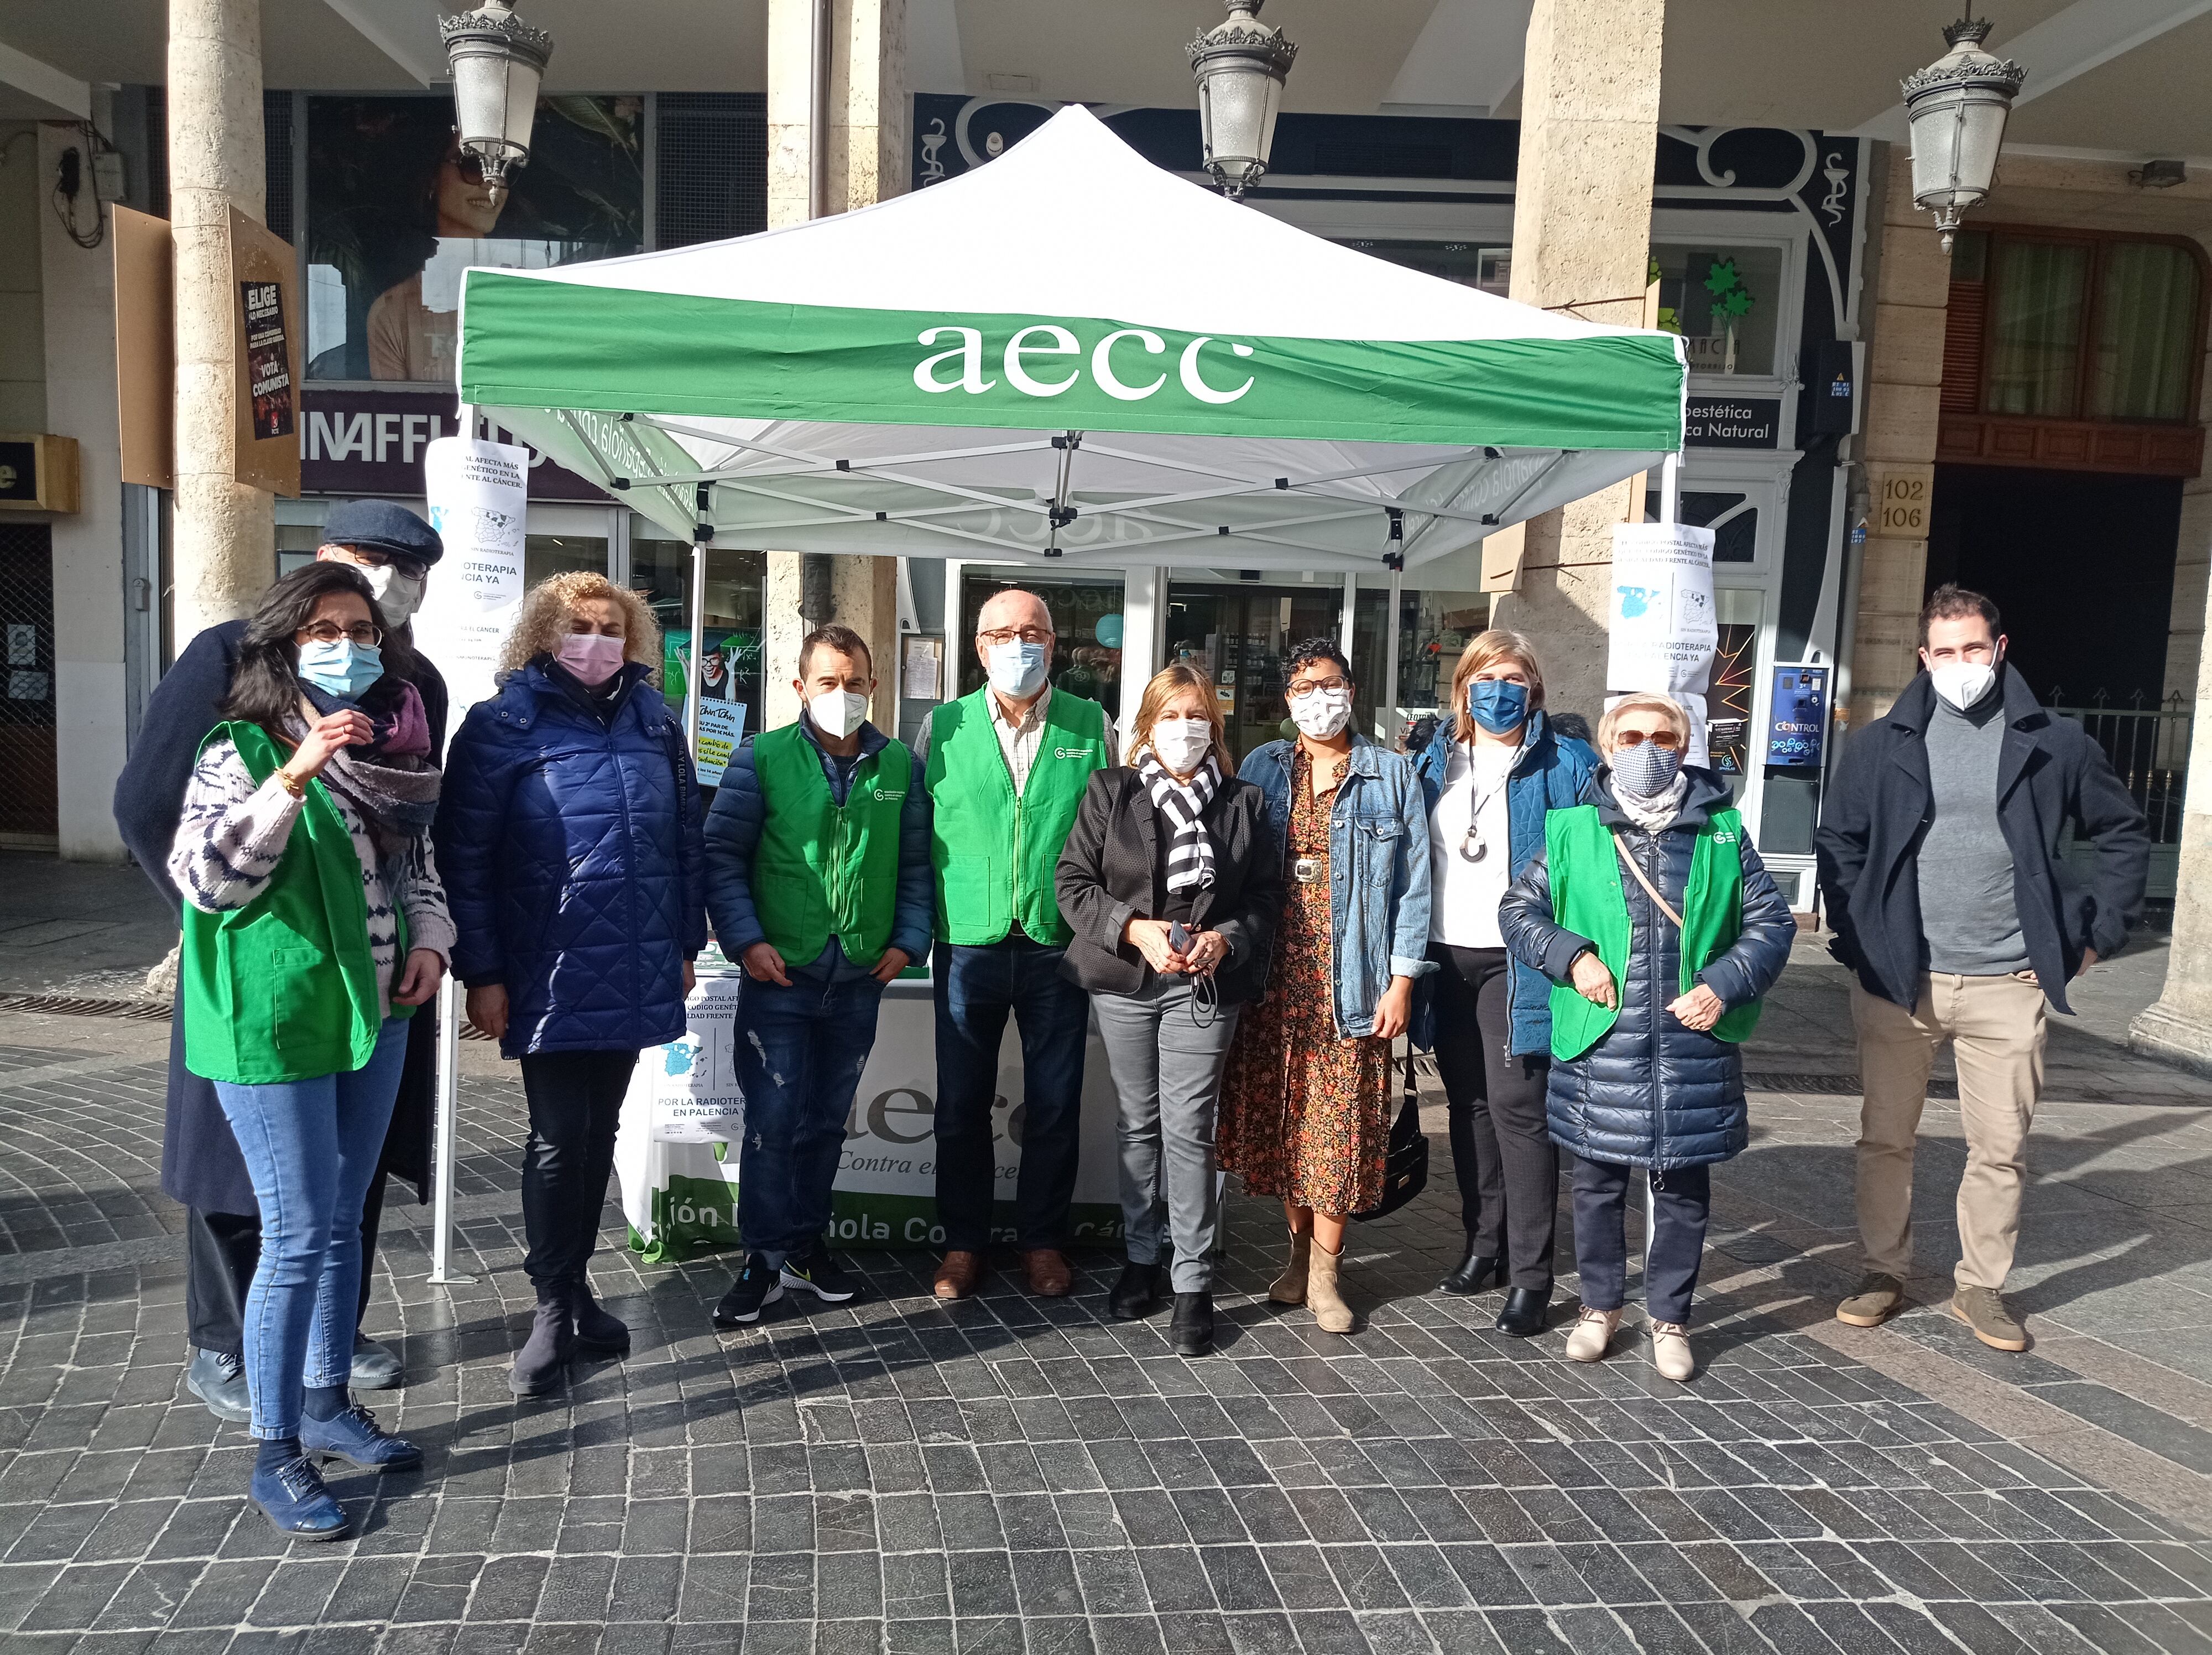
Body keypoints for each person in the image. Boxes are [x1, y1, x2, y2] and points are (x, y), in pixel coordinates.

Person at [113, 501, 449, 1423]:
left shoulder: (410, 683)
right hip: (258, 952)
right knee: (240, 1170)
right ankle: (225, 1342)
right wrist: (210, 923)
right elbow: (149, 801)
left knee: (350, 1171)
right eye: (367, 562)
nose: (382, 587)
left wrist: (429, 933)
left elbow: (418, 834)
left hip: (369, 971)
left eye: (404, 569)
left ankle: (328, 1343)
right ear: (320, 563)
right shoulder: (229, 656)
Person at [169, 562, 452, 1536]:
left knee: (340, 1221)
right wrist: (294, 776)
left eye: (364, 628)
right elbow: (208, 880)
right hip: (277, 1021)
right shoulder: (238, 748)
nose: (350, 644)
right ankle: (274, 1446)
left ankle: (329, 1400)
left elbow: (417, 863)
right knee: (293, 1237)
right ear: (287, 643)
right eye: (327, 627)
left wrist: (431, 941)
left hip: (376, 1013)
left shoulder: (394, 746)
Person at [1815, 585, 2148, 1351]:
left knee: (2001, 1148)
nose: (1961, 664)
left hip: (2008, 983)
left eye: (1975, 649)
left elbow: (2123, 833)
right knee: (1885, 1137)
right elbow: (1840, 845)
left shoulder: (2056, 741)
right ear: (1924, 658)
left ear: (2000, 650)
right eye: (1946, 652)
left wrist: (2092, 937)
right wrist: (1864, 939)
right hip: (1901, 982)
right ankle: (1881, 1270)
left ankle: (1981, 1287)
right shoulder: (1879, 744)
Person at [436, 571, 707, 1397]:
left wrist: (686, 941)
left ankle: (579, 1287)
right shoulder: (500, 725)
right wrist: (481, 971)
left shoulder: (657, 720)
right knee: (558, 1138)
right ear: (545, 636)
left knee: (600, 1133)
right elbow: (466, 859)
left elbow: (686, 840)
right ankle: (552, 1304)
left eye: (612, 629)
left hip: (634, 960)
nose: (596, 642)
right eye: (579, 626)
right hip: (547, 965)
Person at [1498, 691, 1793, 1381]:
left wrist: (1724, 981)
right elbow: (1519, 909)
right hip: (1603, 1039)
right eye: (1630, 737)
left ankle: (1670, 1316)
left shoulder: (1721, 828)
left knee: (1683, 1187)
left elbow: (1771, 922)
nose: (1647, 749)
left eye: (1662, 736)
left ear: (1685, 744)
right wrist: (1572, 956)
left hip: (1693, 1039)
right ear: (1607, 746)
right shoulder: (1573, 828)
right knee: (1597, 1182)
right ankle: (1599, 1307)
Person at [701, 624, 932, 1326]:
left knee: (826, 1123)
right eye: (827, 681)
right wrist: (745, 940)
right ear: (800, 688)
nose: (843, 693)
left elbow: (917, 864)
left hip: (858, 975)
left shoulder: (898, 765)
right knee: (774, 1121)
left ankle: (806, 1246)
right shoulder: (760, 758)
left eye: (855, 680)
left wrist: (908, 939)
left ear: (873, 684)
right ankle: (761, 1258)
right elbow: (722, 857)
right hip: (781, 975)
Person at [1056, 664, 1284, 1356]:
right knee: (1138, 1123)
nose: (1184, 729)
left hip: (1203, 985)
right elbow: (1072, 882)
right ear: (1146, 725)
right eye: (1171, 715)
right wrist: (1134, 928)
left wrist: (1227, 938)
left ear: (1213, 729)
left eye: (1197, 717)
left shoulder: (1244, 801)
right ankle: (1141, 1257)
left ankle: (1191, 1282)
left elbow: (1265, 900)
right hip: (1125, 977)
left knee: (1190, 1128)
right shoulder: (1111, 790)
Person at [1218, 638, 1432, 1335]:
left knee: (1337, 1134)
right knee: (1285, 1128)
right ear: (1287, 698)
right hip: (1275, 978)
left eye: (1333, 682)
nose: (1321, 696)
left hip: (1354, 981)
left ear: (1352, 689)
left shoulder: (1391, 774)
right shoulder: (1262, 766)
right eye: (1306, 686)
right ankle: (1294, 1258)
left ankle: (1327, 1274)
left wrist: (1402, 980)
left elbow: (1413, 890)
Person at [916, 588, 1114, 1302]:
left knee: (1055, 1102)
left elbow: (1111, 832)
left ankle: (1042, 1241)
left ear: (1053, 645)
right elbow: (918, 836)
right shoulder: (942, 727)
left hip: (1056, 938)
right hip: (967, 938)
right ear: (979, 647)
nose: (1017, 644)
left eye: (1032, 632)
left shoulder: (1092, 724)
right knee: (960, 1104)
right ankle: (963, 1243)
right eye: (1001, 633)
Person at [1411, 630, 1598, 1335]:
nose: (1499, 691)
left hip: (1519, 957)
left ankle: (1531, 1274)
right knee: (1469, 1106)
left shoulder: (1569, 763)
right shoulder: (1433, 759)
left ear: (1535, 690)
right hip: (1444, 953)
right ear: (1462, 688)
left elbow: (1591, 869)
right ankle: (1482, 1243)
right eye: (1485, 677)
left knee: (1519, 1109)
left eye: (1514, 677)